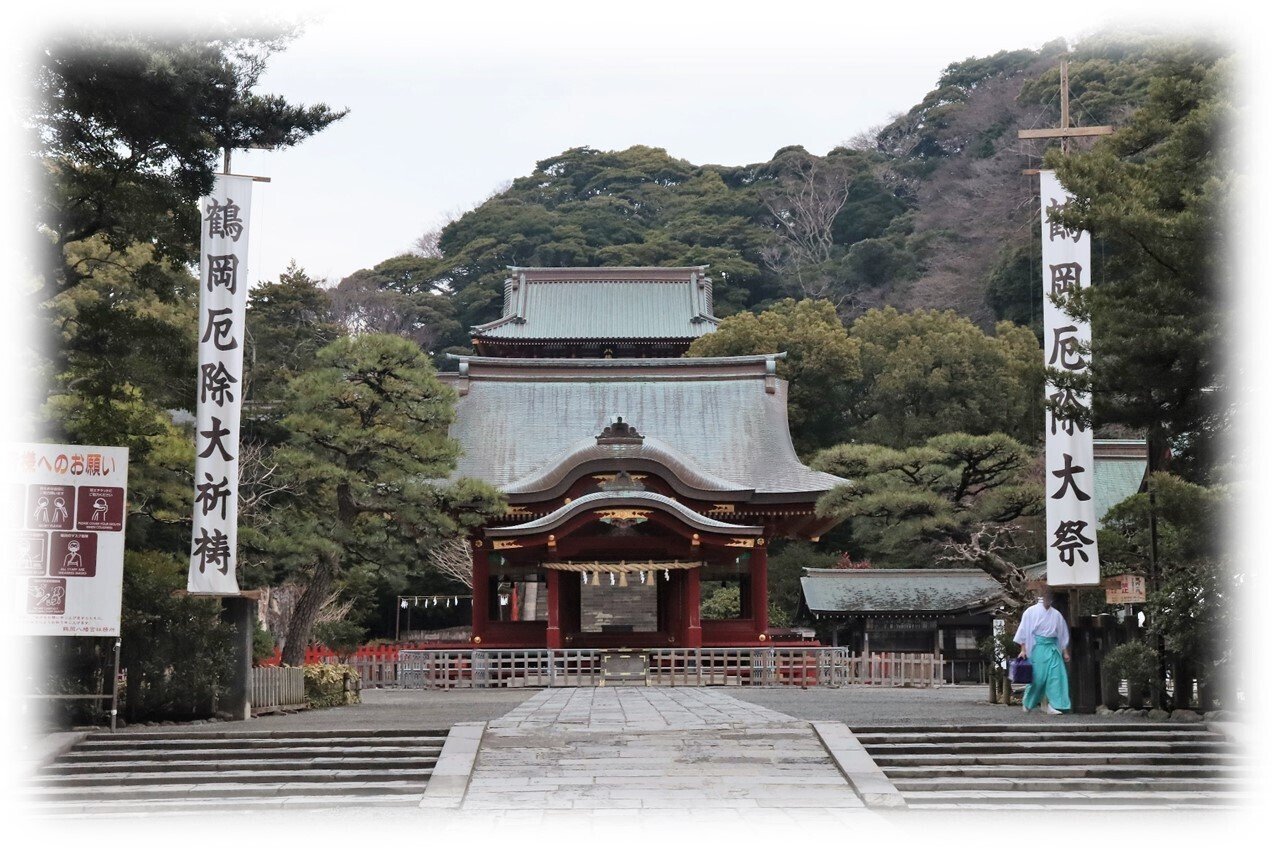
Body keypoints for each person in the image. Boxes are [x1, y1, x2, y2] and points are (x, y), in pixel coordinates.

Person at [1014, 589, 1071, 714]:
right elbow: (1024, 630)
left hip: (1052, 648)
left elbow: (1061, 634)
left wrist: (1065, 651)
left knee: (1056, 676)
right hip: (1037, 648)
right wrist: (1023, 649)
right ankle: (1028, 702)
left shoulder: (1056, 614)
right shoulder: (1031, 612)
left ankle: (1055, 705)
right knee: (1037, 679)